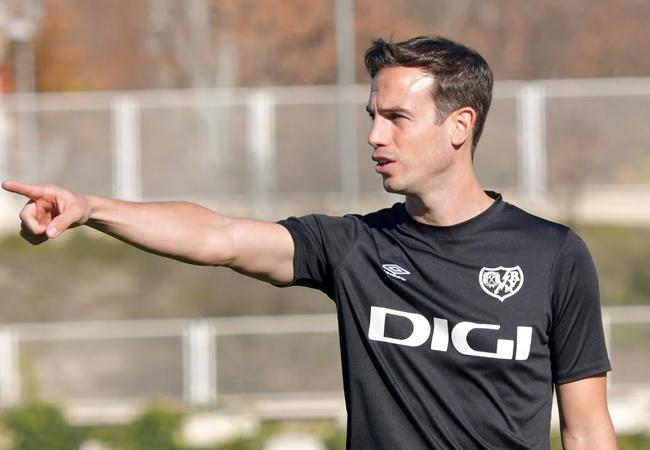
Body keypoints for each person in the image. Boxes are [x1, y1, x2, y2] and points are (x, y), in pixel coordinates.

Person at [2, 36, 617, 449]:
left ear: (460, 126)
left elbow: (587, 432)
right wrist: (91, 209)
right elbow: (218, 236)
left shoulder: (553, 256)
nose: (375, 135)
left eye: (396, 118)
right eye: (371, 116)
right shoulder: (353, 247)